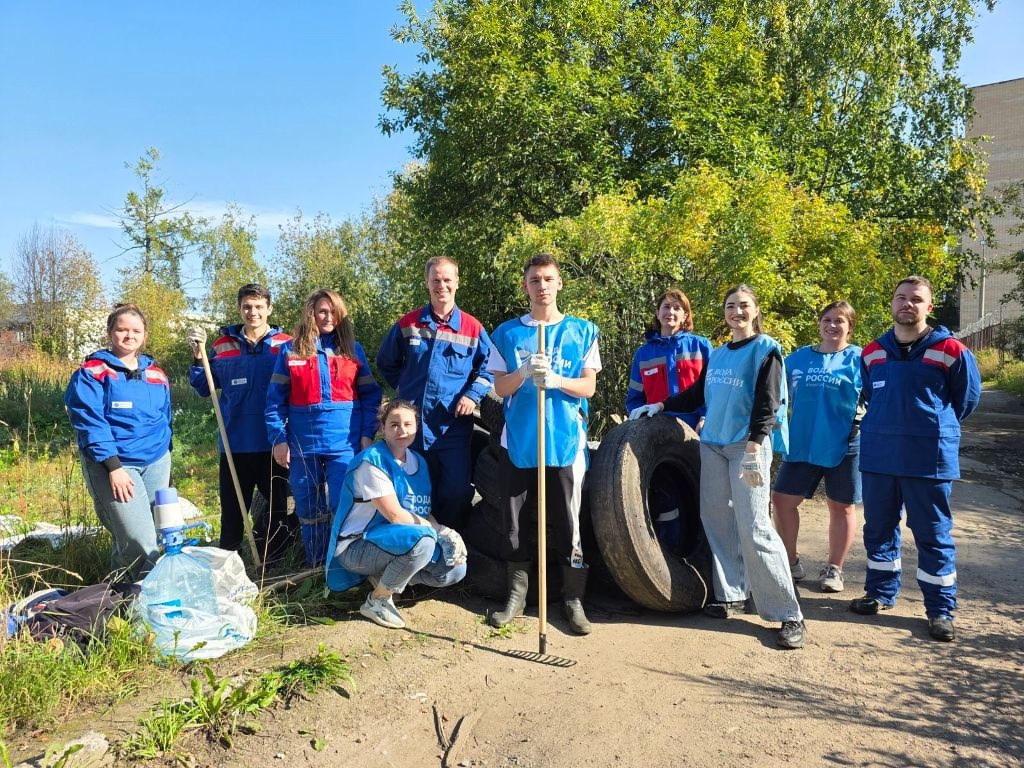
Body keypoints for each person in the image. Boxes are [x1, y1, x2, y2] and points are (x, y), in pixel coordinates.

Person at [634, 284, 805, 650]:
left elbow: (768, 402)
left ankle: (787, 613)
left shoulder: (766, 350)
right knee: (716, 520)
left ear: (755, 310)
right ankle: (732, 594)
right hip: (712, 444)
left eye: (743, 306)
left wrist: (755, 446)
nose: (737, 312)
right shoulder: (721, 352)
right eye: (731, 306)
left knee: (755, 526)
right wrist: (661, 406)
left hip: (747, 447)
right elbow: (699, 394)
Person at [849, 276, 981, 642]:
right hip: (878, 456)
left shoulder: (952, 350)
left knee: (932, 534)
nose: (907, 304)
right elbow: (871, 397)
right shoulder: (872, 351)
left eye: (916, 299)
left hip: (928, 459)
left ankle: (940, 610)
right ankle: (880, 593)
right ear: (892, 304)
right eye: (901, 298)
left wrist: (930, 426)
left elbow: (965, 402)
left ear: (929, 307)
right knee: (878, 529)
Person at [486, 253, 601, 635]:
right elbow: (498, 388)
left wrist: (556, 380)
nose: (542, 286)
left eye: (548, 279)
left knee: (570, 523)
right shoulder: (506, 333)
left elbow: (589, 387)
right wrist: (522, 372)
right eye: (535, 280)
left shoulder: (583, 331)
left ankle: (573, 599)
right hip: (519, 442)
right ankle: (517, 597)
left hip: (565, 443)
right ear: (526, 286)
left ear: (559, 284)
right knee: (515, 525)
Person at [325, 399, 467, 629]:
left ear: (416, 427)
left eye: (408, 424)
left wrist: (446, 534)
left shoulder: (417, 460)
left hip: (394, 542)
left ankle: (387, 579)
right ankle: (377, 600)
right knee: (424, 541)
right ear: (382, 428)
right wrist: (441, 531)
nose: (402, 431)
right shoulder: (372, 461)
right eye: (394, 424)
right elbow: (396, 516)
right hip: (356, 547)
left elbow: (420, 511)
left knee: (454, 569)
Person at [265, 289, 382, 567]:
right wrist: (279, 440)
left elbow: (371, 396)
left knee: (344, 506)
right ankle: (318, 566)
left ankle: (346, 567)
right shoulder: (291, 351)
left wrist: (367, 434)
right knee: (308, 509)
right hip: (302, 446)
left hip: (345, 444)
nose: (328, 317)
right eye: (322, 311)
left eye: (334, 312)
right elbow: (274, 402)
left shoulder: (353, 351)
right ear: (311, 314)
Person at [376, 257, 493, 530]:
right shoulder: (409, 323)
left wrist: (471, 395)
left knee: (454, 493)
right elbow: (385, 362)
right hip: (413, 429)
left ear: (457, 283)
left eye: (447, 279)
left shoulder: (472, 328)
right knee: (415, 493)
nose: (442, 285)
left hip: (451, 427)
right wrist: (406, 394)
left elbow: (490, 369)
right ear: (427, 283)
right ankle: (419, 551)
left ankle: (453, 554)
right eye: (436, 280)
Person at [187, 284, 296, 564]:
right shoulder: (222, 345)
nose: (253, 312)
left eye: (259, 306)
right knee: (233, 513)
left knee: (277, 511)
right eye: (247, 306)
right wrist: (198, 358)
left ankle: (273, 565)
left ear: (269, 309)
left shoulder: (286, 344)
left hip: (274, 444)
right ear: (239, 309)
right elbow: (203, 386)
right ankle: (227, 566)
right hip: (235, 443)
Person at [65, 304, 172, 580]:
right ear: (110, 332)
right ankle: (147, 603)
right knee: (140, 540)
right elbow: (89, 421)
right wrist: (113, 466)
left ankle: (119, 597)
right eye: (122, 329)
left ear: (145, 335)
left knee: (150, 532)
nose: (129, 336)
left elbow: (165, 418)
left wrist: (166, 459)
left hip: (156, 462)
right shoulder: (92, 373)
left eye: (136, 330)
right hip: (116, 466)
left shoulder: (156, 374)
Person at [771, 301, 863, 593]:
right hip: (802, 443)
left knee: (841, 506)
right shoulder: (798, 359)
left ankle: (834, 569)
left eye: (839, 321)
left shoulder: (860, 359)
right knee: (782, 500)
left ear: (850, 326)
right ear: (819, 323)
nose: (832, 326)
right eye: (827, 319)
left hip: (843, 443)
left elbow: (877, 398)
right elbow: (772, 392)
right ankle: (790, 560)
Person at [625, 287, 712, 432]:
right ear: (657, 313)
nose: (670, 312)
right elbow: (634, 399)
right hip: (657, 431)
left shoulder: (701, 346)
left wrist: (705, 417)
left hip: (697, 428)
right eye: (666, 307)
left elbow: (713, 389)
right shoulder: (643, 354)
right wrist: (643, 420)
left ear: (685, 315)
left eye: (677, 308)